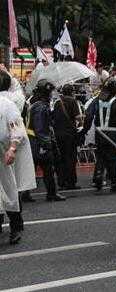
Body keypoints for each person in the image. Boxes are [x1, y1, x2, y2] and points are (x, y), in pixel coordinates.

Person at [0, 70, 36, 244]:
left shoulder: (7, 104)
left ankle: (15, 226)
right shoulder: (13, 99)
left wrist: (12, 149)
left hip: (5, 153)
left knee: (9, 189)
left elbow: (16, 129)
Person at [81, 78, 116, 193]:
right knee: (113, 159)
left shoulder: (96, 101)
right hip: (113, 135)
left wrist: (84, 130)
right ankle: (115, 183)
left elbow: (88, 116)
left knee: (101, 156)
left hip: (99, 134)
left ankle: (98, 178)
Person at [27, 80, 66, 201]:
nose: (51, 94)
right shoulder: (40, 106)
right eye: (50, 92)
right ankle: (51, 193)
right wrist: (47, 144)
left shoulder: (35, 104)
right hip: (39, 142)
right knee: (48, 168)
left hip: (33, 141)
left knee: (31, 169)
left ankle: (24, 194)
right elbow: (40, 128)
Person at [53, 84, 82, 190]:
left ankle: (61, 181)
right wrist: (81, 122)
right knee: (71, 157)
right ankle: (71, 182)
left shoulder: (57, 102)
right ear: (72, 92)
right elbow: (78, 117)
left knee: (61, 158)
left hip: (58, 134)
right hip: (69, 134)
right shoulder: (73, 101)